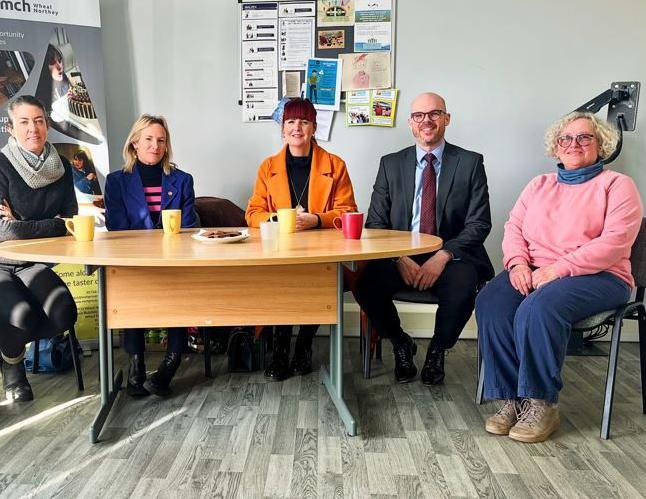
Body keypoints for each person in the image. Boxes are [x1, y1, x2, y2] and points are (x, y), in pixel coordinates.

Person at [476, 112, 642, 443]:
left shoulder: (617, 186)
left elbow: (613, 244)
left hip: (600, 276)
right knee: (491, 302)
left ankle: (541, 403)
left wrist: (555, 270)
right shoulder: (539, 185)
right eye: (566, 138)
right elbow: (514, 228)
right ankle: (512, 399)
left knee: (537, 309)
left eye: (585, 137)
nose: (574, 144)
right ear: (556, 146)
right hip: (534, 272)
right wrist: (519, 264)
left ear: (601, 145)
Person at [353, 92, 492, 385]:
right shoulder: (390, 164)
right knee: (364, 284)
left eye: (434, 114)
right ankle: (401, 342)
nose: (426, 121)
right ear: (410, 123)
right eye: (419, 115)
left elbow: (479, 223)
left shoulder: (469, 163)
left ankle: (437, 350)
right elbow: (376, 223)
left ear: (446, 119)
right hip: (400, 254)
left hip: (451, 254)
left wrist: (442, 257)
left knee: (463, 287)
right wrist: (398, 257)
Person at [0, 95, 79, 403]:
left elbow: (70, 221)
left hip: (29, 262)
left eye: (38, 121)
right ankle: (15, 368)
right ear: (10, 128)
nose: (32, 129)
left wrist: (22, 222)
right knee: (20, 315)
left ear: (47, 126)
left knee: (64, 313)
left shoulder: (61, 167)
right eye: (23, 122)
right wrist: (48, 223)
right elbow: (0, 231)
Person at [246, 97, 357, 381]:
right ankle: (282, 350)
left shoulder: (336, 165)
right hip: (279, 252)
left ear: (314, 127)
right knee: (279, 281)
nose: (297, 128)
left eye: (304, 121)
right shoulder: (267, 166)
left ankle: (304, 346)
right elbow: (253, 212)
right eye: (291, 122)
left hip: (322, 253)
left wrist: (317, 219)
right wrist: (275, 219)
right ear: (283, 129)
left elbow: (348, 211)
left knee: (320, 279)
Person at [105, 114, 198, 397]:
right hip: (135, 262)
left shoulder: (182, 180)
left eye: (161, 140)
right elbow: (117, 229)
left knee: (177, 291)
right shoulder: (116, 182)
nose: (155, 146)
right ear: (134, 143)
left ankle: (171, 361)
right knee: (130, 291)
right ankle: (137, 363)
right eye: (148, 139)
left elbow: (190, 225)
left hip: (174, 261)